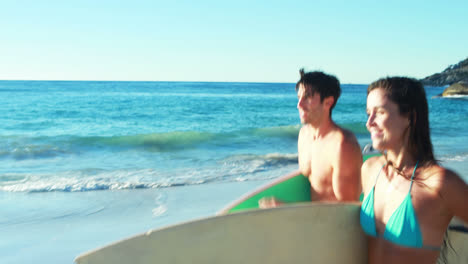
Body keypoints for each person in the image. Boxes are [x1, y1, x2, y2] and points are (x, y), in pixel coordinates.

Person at [360, 77, 468, 264]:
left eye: (380, 112)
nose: (369, 122)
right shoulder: (369, 170)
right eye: (368, 113)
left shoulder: (439, 183)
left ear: (410, 116)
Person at [259, 69, 362, 208]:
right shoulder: (304, 136)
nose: (299, 105)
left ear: (328, 102)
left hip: (334, 226)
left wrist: (289, 210)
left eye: (307, 98)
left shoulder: (342, 144)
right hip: (312, 220)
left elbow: (349, 209)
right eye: (299, 97)